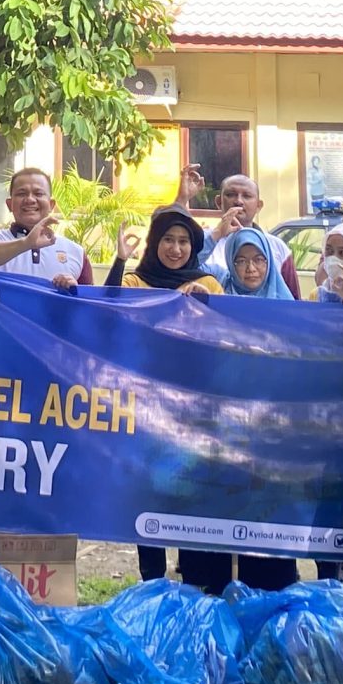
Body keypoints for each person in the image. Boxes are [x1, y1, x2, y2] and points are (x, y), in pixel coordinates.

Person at [115, 208, 228, 588]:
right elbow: (110, 310)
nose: (175, 248)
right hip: (145, 404)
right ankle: (152, 581)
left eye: (183, 241)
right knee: (149, 489)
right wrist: (118, 259)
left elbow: (228, 337)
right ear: (155, 243)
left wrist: (205, 307)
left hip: (197, 408)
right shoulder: (136, 280)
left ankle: (195, 579)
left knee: (191, 488)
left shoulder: (209, 285)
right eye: (167, 239)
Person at [213, 224, 300, 589]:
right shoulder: (215, 302)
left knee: (269, 508)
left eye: (259, 260)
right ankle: (216, 588)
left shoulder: (289, 309)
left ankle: (273, 585)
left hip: (274, 429)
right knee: (222, 504)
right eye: (241, 260)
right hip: (225, 425)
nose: (250, 269)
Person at [0, 167, 88, 289]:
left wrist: (76, 290)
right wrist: (26, 243)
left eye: (38, 194)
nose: (30, 199)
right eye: (21, 194)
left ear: (51, 204)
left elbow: (91, 304)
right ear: (9, 205)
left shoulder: (76, 252)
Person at [199, 173, 300, 294]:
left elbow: (295, 303)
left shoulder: (277, 248)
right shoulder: (203, 241)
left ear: (259, 206)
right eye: (231, 194)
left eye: (247, 196)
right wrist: (216, 235)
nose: (238, 201)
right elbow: (184, 269)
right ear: (218, 202)